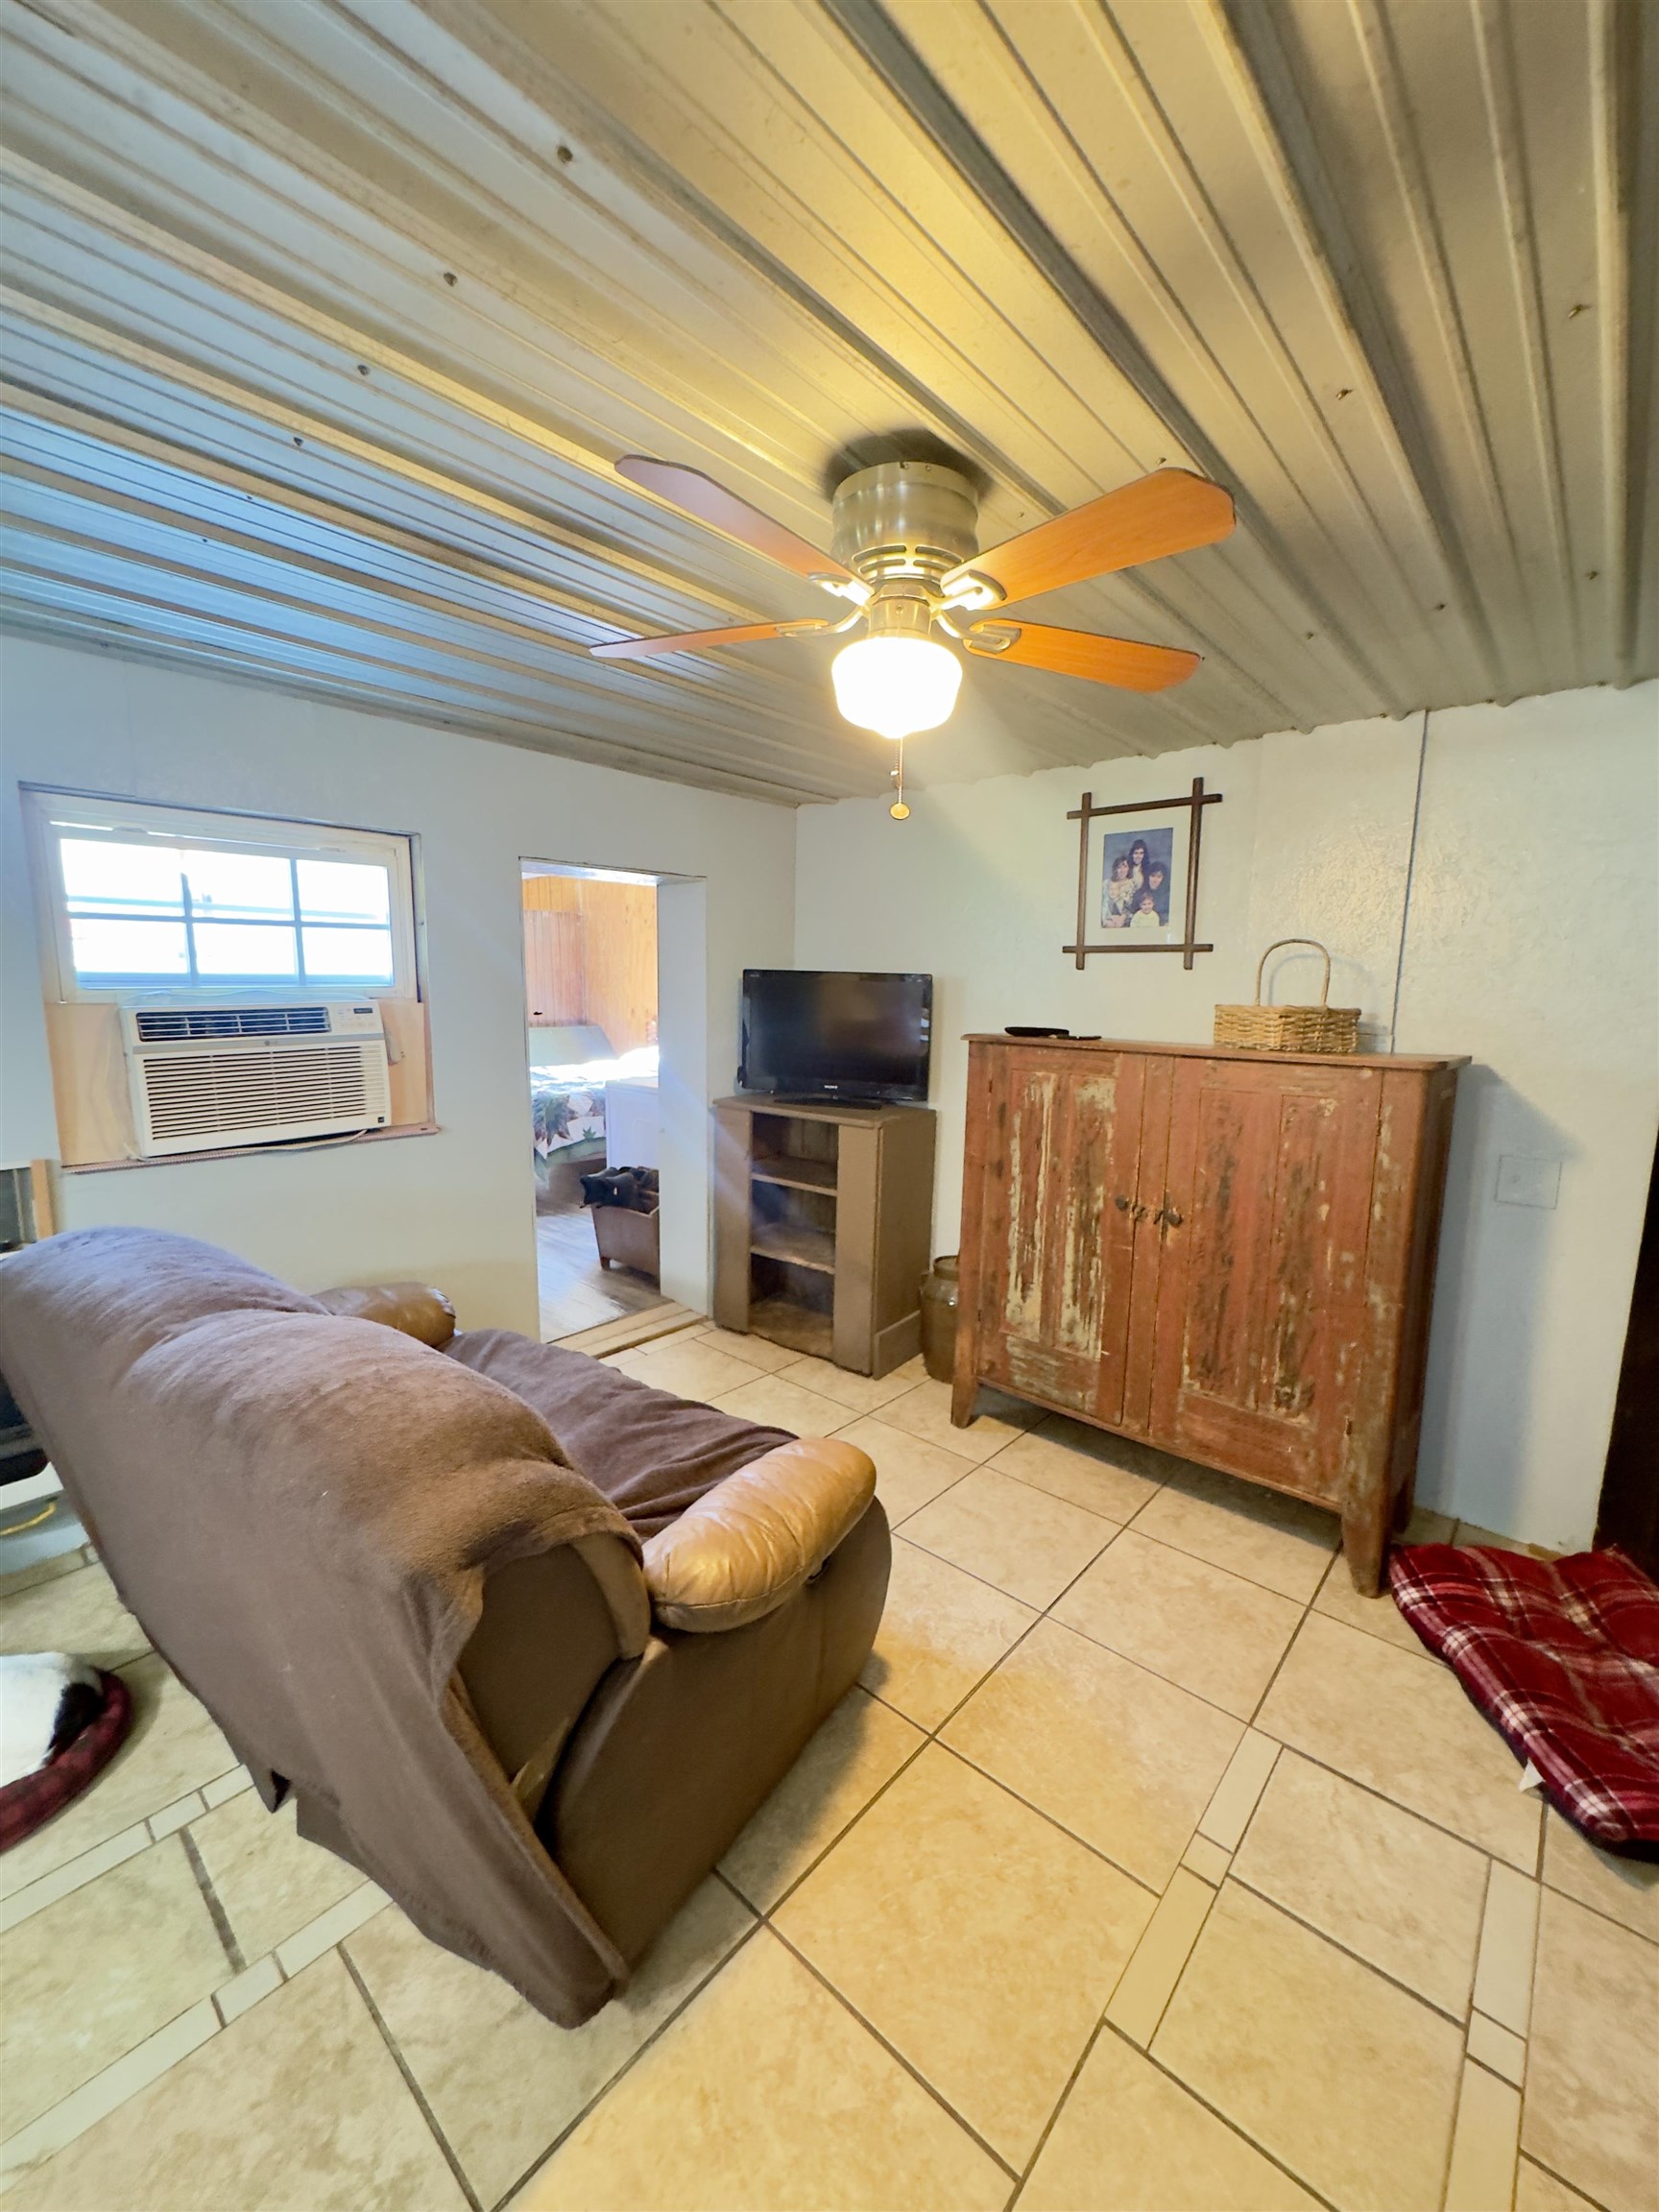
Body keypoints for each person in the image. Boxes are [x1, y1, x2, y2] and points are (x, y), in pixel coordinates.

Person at [1102, 851, 1135, 926]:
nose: (1122, 870)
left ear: (1129, 869)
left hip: (1124, 919)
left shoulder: (1131, 885)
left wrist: (1122, 918)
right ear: (1116, 869)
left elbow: (1131, 907)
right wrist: (1107, 919)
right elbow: (1103, 904)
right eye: (1119, 867)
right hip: (1107, 917)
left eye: (1125, 867)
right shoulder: (1107, 883)